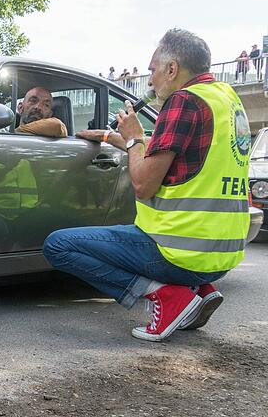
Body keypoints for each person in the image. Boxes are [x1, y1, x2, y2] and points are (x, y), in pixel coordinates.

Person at [43, 29, 251, 342]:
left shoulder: (183, 101)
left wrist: (134, 137)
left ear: (172, 69)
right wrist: (117, 139)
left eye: (152, 70)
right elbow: (187, 153)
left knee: (58, 245)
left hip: (180, 252)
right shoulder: (226, 100)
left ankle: (167, 295)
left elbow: (142, 185)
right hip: (223, 255)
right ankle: (198, 290)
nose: (150, 80)